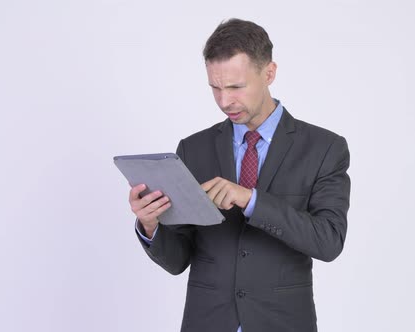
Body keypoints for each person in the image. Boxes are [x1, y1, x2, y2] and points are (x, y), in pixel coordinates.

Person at [128, 18, 350, 332]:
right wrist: (150, 225)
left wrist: (251, 200)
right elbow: (178, 259)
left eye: (235, 87)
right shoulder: (193, 149)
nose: (223, 101)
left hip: (283, 323)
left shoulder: (324, 149)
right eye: (215, 88)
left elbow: (329, 241)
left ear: (269, 73)